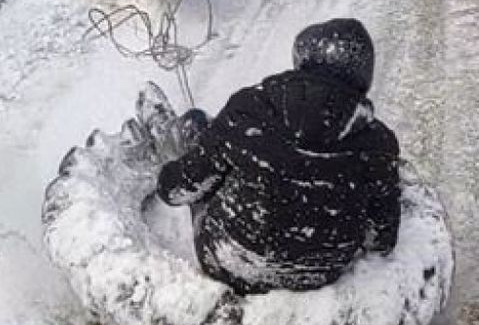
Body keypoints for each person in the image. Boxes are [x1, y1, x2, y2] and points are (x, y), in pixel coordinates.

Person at [155, 18, 401, 295]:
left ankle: (181, 137)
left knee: (197, 126)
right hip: (320, 277)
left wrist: (167, 177)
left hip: (231, 263)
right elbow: (381, 238)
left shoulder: (249, 110)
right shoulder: (379, 143)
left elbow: (176, 191)